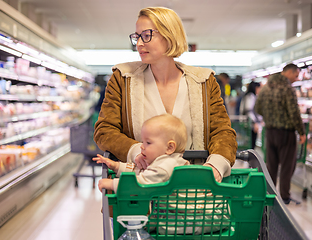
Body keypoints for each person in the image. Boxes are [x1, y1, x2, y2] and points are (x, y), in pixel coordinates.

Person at [94, 7, 237, 183]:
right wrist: (136, 150)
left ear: (169, 35)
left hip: (193, 188)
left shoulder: (203, 81)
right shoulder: (123, 79)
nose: (139, 43)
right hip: (139, 190)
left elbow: (222, 131)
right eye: (137, 37)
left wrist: (216, 165)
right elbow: (105, 130)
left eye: (146, 35)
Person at [93, 114, 189, 192]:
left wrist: (112, 184)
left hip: (181, 215)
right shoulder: (165, 161)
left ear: (169, 147)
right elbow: (141, 172)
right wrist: (116, 166)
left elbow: (140, 184)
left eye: (148, 143)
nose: (141, 146)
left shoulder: (164, 166)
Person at [255, 63, 306, 204]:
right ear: (289, 72)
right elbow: (294, 112)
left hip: (270, 132)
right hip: (286, 133)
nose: (296, 79)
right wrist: (301, 131)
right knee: (287, 166)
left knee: (271, 165)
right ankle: (284, 196)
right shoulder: (287, 88)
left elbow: (257, 108)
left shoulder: (266, 88)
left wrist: (270, 116)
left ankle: (269, 194)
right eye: (296, 75)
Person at [239, 81, 262, 149]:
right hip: (250, 125)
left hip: (249, 124)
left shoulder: (249, 96)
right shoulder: (250, 97)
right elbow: (248, 111)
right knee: (251, 144)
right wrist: (254, 123)